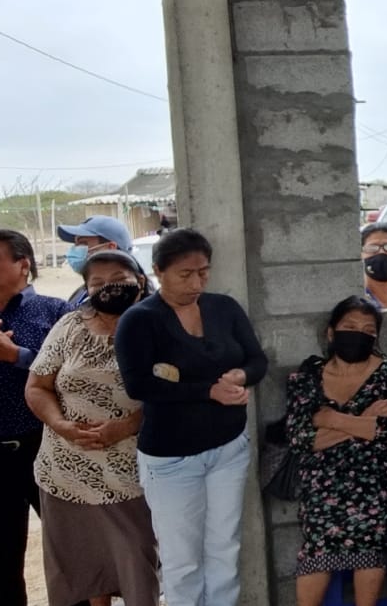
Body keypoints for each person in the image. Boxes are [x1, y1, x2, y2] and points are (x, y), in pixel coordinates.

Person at [115, 228, 268, 606]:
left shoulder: (224, 308)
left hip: (228, 449)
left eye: (203, 272)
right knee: (182, 559)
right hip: (172, 458)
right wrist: (208, 391)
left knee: (224, 548)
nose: (197, 283)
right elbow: (139, 385)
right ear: (158, 271)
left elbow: (257, 360)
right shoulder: (140, 320)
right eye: (185, 274)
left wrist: (240, 376)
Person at [25, 249, 160, 606]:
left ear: (140, 281)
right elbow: (37, 387)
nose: (107, 288)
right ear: (86, 289)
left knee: (136, 562)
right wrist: (61, 424)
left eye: (118, 279)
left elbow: (175, 391)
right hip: (65, 471)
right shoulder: (70, 326)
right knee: (85, 570)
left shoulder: (159, 326)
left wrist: (127, 426)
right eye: (97, 283)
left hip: (130, 473)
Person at [288, 296, 387, 606]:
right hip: (323, 475)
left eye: (368, 330)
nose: (359, 334)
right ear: (331, 332)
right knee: (321, 521)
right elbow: (300, 437)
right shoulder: (308, 377)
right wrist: (363, 420)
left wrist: (330, 418)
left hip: (380, 472)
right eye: (350, 326)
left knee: (366, 519)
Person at [0, 229, 73, 606]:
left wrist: (15, 355)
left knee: (69, 547)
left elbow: (74, 376)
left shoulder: (57, 312)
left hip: (47, 446)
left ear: (23, 264)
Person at [58, 215, 135, 305]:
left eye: (83, 243)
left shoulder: (128, 295)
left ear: (111, 248)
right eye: (75, 244)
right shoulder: (81, 292)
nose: (75, 249)